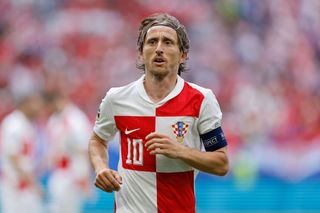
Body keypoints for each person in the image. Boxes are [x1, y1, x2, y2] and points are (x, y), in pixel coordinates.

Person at [88, 13, 229, 213]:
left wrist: (180, 151)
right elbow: (97, 140)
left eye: (168, 42)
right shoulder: (117, 98)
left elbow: (221, 163)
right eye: (152, 42)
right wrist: (101, 168)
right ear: (141, 53)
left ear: (183, 55)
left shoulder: (201, 99)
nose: (159, 48)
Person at [44, 90, 91, 213]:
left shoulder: (76, 119)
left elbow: (84, 149)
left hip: (72, 172)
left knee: (70, 209)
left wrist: (84, 175)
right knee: (56, 207)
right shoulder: (54, 119)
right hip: (58, 171)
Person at [0, 92, 45, 213]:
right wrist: (32, 184)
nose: (39, 106)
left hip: (24, 186)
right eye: (35, 103)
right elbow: (13, 158)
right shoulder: (13, 124)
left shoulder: (26, 123)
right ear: (25, 104)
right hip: (15, 187)